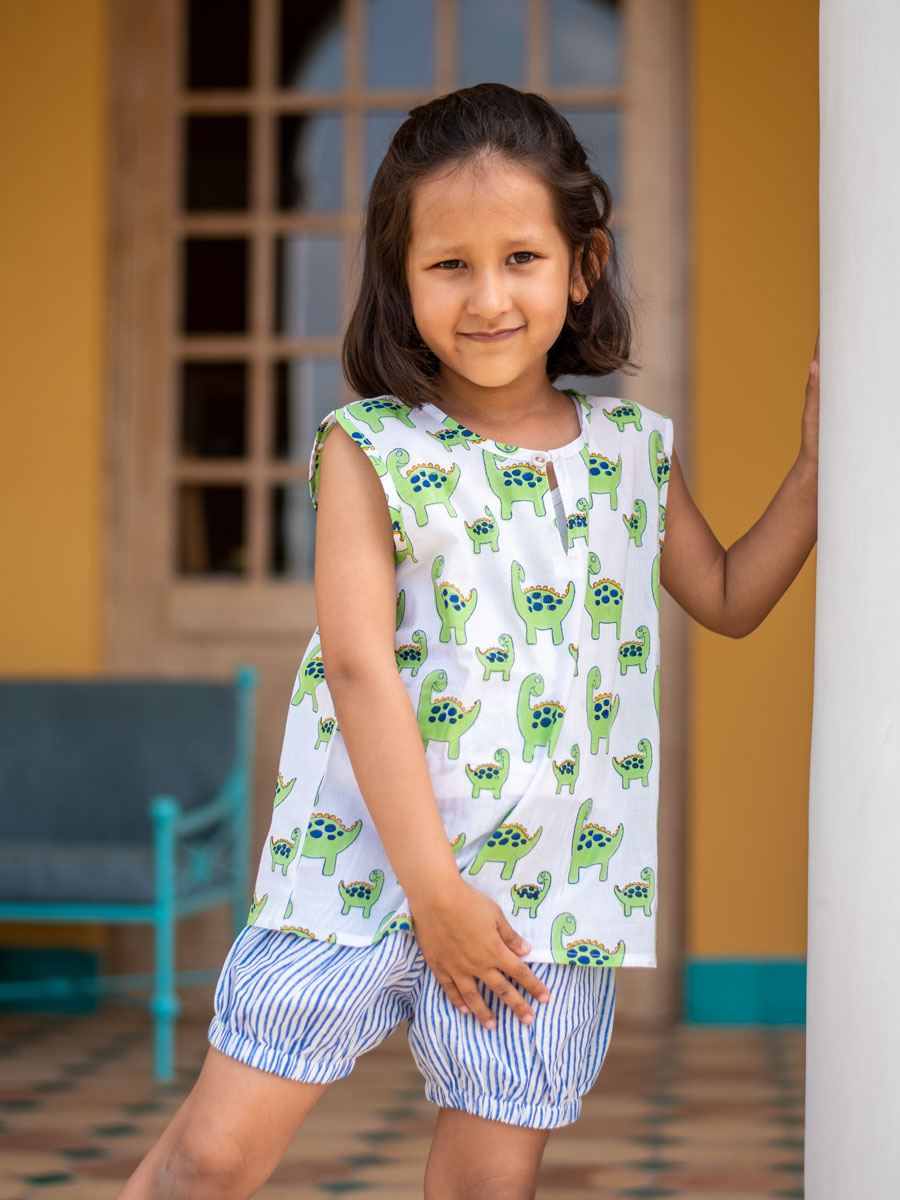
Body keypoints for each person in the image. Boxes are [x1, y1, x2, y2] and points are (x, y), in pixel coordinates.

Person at [119, 82, 818, 1200]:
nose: (488, 297)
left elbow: (730, 596)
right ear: (400, 279)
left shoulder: (632, 453)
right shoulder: (371, 447)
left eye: (522, 258)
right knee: (210, 1160)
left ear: (583, 266)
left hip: (547, 895)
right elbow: (360, 667)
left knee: (488, 1189)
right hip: (360, 870)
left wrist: (819, 470)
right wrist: (434, 894)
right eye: (449, 264)